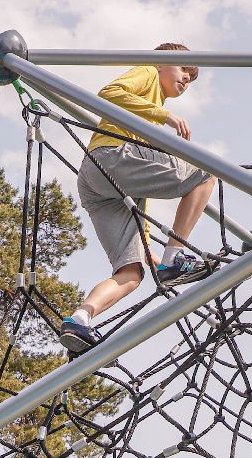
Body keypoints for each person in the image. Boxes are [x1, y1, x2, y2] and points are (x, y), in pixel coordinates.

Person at [58, 43, 218, 359]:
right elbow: (110, 92)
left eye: (192, 78)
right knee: (206, 174)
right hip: (111, 156)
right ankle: (176, 255)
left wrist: (150, 253)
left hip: (98, 183)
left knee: (131, 275)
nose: (187, 79)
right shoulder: (148, 72)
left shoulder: (146, 123)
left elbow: (137, 205)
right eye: (184, 69)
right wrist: (167, 115)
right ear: (162, 62)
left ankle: (79, 319)